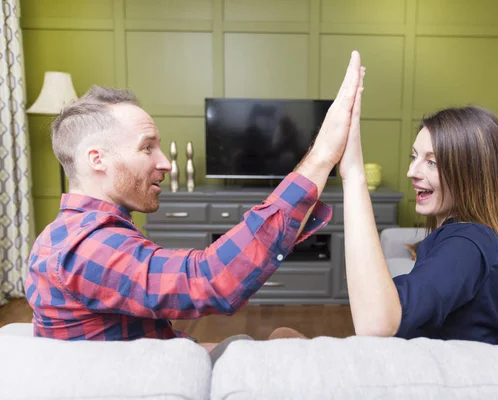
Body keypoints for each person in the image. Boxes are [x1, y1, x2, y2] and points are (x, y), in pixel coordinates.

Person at [25, 51, 365, 359]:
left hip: (156, 361)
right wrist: (321, 156)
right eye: (147, 148)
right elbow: (209, 277)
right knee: (288, 343)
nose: (165, 162)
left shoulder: (65, 235)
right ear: (97, 159)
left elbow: (137, 332)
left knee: (279, 338)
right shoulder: (89, 248)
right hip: (153, 380)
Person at [339, 84, 498, 344]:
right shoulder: (467, 237)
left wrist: (354, 175)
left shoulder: (469, 244)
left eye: (431, 161)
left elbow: (377, 321)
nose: (411, 172)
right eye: (414, 157)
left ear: (472, 175)